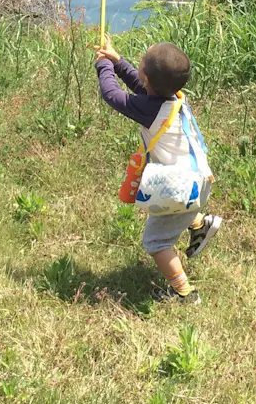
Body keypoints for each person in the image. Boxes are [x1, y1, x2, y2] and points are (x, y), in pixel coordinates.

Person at [94, 37, 222, 304]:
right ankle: (199, 225)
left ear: (148, 79)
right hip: (199, 177)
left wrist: (104, 66)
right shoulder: (173, 98)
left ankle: (184, 293)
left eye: (140, 62)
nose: (137, 66)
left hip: (183, 188)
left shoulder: (150, 109)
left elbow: (112, 95)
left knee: (156, 243)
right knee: (183, 211)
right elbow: (141, 86)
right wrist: (117, 62)